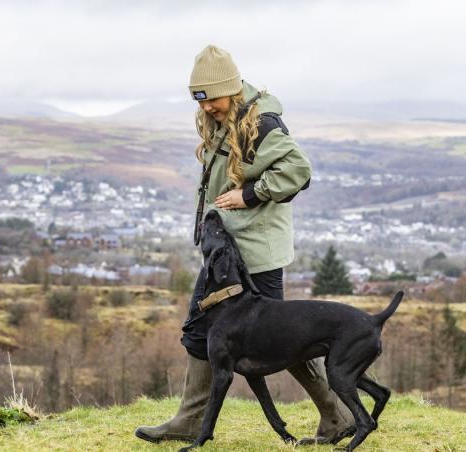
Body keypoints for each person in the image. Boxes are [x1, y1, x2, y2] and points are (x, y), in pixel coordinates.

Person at [135, 45, 355, 445]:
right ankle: (189, 420)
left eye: (212, 100)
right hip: (226, 252)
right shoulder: (224, 118)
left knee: (286, 341)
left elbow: (299, 170)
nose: (207, 110)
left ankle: (337, 418)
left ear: (231, 90)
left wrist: (251, 194)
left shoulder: (263, 122)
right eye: (200, 102)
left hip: (256, 253)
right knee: (199, 328)